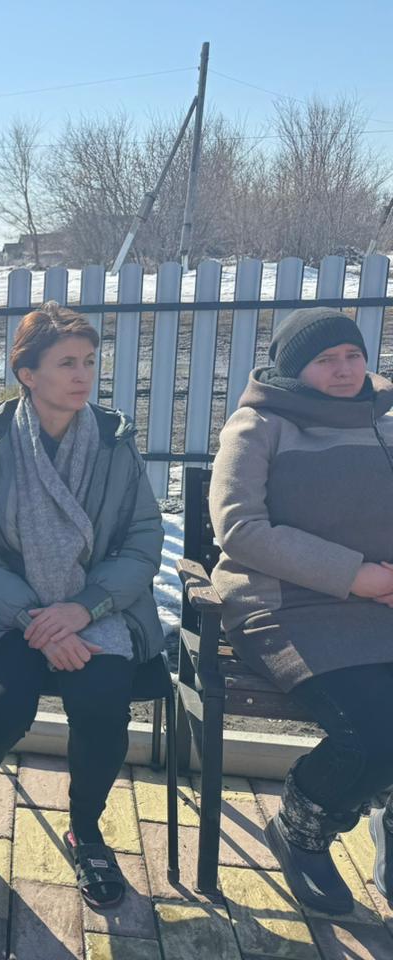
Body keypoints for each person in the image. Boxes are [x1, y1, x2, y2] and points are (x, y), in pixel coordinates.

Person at [0, 302, 164, 906]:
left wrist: (84, 609)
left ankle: (86, 830)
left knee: (103, 705)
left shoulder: (114, 442)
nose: (83, 376)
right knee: (1, 709)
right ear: (28, 374)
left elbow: (142, 539)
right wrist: (36, 620)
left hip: (96, 608)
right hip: (9, 610)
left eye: (89, 362)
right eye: (66, 363)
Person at [209, 308, 393, 915]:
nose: (343, 370)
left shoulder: (385, 419)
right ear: (294, 369)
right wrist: (356, 576)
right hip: (289, 607)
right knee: (372, 735)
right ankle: (303, 825)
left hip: (383, 601)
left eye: (352, 355)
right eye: (325, 360)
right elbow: (240, 528)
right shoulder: (259, 424)